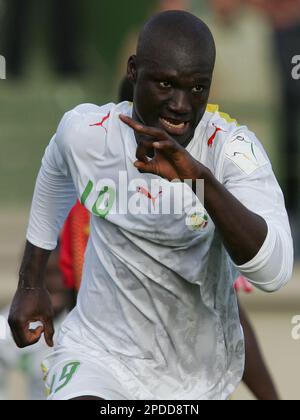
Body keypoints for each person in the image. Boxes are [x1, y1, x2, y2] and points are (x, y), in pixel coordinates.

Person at [8, 11, 293, 400]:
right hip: (99, 355)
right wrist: (30, 280)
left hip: (192, 379)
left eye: (197, 88)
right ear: (133, 70)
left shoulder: (232, 151)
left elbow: (274, 272)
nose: (180, 105)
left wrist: (200, 182)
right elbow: (55, 166)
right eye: (165, 84)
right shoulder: (88, 133)